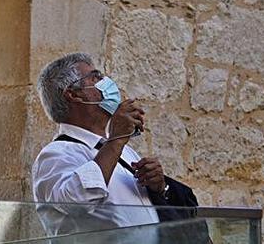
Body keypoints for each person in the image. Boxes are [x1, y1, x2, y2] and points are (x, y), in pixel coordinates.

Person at [31, 52, 167, 236]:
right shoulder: (55, 155)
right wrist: (116, 139)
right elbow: (76, 203)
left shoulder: (126, 152)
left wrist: (157, 187)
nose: (106, 82)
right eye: (95, 77)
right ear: (73, 94)